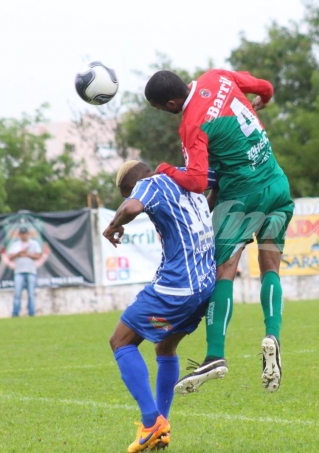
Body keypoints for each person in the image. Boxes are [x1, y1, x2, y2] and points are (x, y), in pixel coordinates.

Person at [144, 69, 294, 393]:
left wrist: (165, 170)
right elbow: (266, 86)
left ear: (171, 103)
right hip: (277, 184)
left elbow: (197, 180)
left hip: (241, 199)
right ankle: (272, 334)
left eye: (161, 109)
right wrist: (262, 101)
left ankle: (215, 355)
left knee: (223, 272)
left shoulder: (191, 124)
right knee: (271, 267)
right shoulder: (217, 77)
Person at [103, 160, 216, 452]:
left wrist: (114, 225)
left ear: (131, 187)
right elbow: (217, 182)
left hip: (174, 290)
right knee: (165, 347)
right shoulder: (186, 176)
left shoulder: (149, 184)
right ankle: (161, 426)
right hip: (203, 289)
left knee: (121, 341)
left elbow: (131, 209)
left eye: (129, 193)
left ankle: (151, 421)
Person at [7, 226, 42, 317]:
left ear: (28, 234)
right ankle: (15, 313)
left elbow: (38, 256)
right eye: (22, 234)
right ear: (19, 235)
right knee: (17, 293)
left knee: (31, 294)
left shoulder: (34, 244)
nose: (24, 235)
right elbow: (9, 257)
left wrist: (27, 254)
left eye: (25, 234)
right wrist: (19, 253)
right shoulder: (15, 245)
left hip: (31, 271)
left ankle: (31, 313)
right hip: (19, 271)